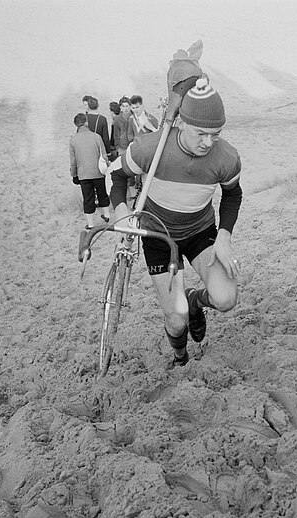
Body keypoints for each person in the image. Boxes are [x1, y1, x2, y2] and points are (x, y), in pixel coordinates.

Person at [109, 78, 242, 367]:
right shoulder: (150, 148)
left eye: (216, 134)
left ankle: (197, 301)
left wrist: (224, 236)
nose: (209, 142)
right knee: (177, 318)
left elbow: (233, 194)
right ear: (181, 122)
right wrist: (121, 210)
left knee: (226, 298)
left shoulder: (227, 158)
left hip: (199, 232)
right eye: (201, 133)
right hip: (158, 234)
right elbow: (117, 176)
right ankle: (180, 355)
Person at [69, 113, 110, 229]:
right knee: (102, 193)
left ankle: (91, 224)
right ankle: (106, 215)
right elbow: (104, 155)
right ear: (86, 122)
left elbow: (73, 160)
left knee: (88, 198)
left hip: (83, 174)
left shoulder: (73, 140)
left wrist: (74, 174)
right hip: (97, 172)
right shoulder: (96, 136)